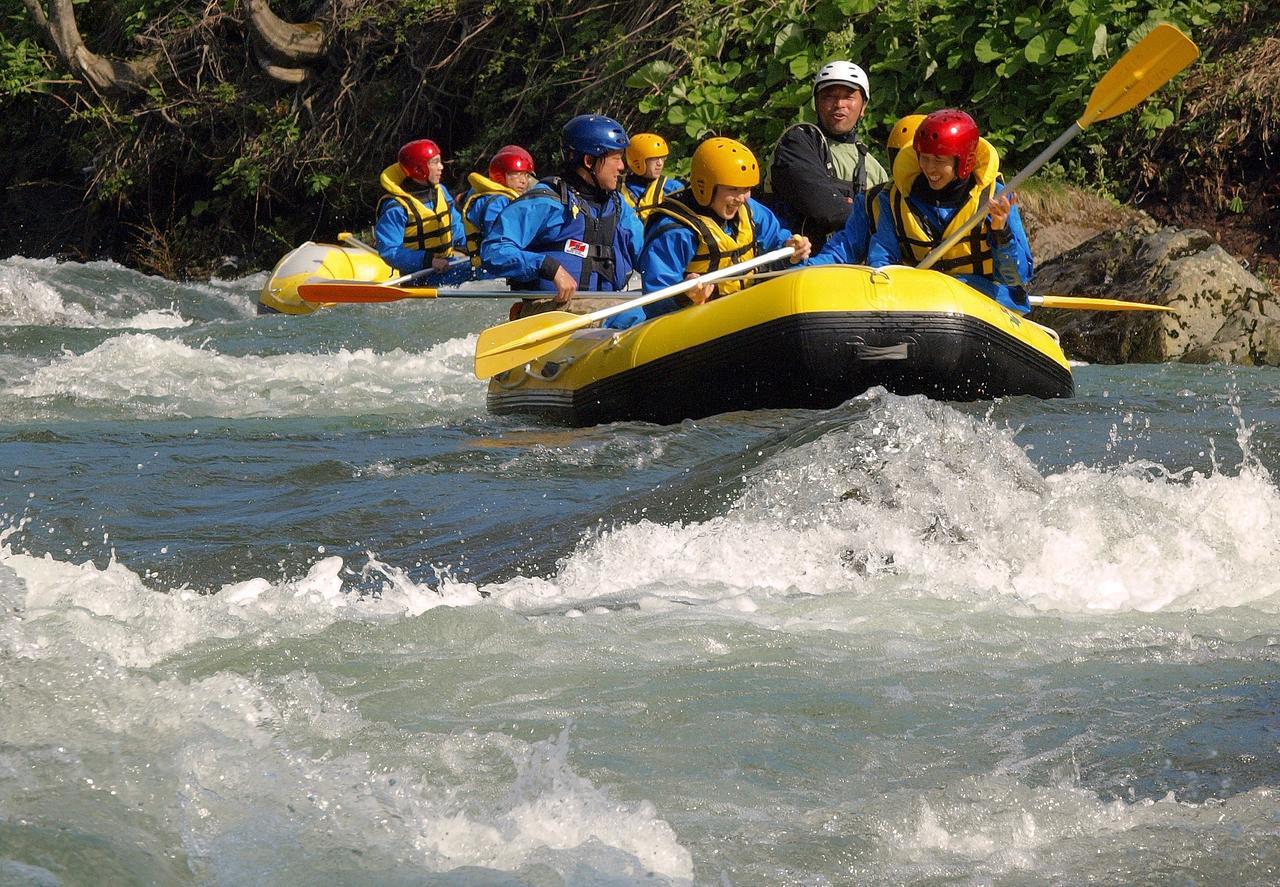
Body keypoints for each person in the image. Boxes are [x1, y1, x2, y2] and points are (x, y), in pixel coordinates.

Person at [605, 136, 811, 330]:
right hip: (699, 324)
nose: (742, 198)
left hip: (750, 311)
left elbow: (778, 241)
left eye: (746, 189)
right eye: (733, 190)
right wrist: (685, 294)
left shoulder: (751, 211)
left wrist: (792, 251)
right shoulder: (677, 231)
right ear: (705, 187)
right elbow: (655, 298)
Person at [867, 108, 1033, 313]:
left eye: (939, 160)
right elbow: (881, 260)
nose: (929, 168)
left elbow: (1017, 277)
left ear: (963, 162)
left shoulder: (996, 198)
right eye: (924, 158)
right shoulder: (896, 198)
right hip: (926, 303)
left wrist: (1001, 232)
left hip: (986, 303)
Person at [481, 114, 644, 313]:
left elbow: (647, 254)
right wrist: (548, 267)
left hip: (605, 305)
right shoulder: (547, 201)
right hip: (552, 309)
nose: (622, 166)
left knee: (660, 307)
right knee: (632, 313)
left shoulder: (618, 206)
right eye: (616, 158)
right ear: (589, 161)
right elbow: (494, 251)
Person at [763, 61, 889, 249]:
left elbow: (886, 225)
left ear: (863, 106)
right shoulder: (797, 142)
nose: (839, 104)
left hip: (852, 269)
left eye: (848, 97)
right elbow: (825, 207)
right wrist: (857, 211)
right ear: (816, 103)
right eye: (829, 97)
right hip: (796, 265)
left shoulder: (874, 168)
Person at [806, 113, 926, 267]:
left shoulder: (960, 200)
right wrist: (807, 269)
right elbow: (845, 248)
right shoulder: (874, 201)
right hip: (894, 284)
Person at [374, 139, 466, 280]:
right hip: (419, 276)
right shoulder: (396, 207)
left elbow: (455, 226)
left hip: (448, 265)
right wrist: (429, 260)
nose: (441, 167)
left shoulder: (440, 191)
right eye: (435, 162)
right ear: (419, 169)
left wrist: (473, 245)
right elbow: (389, 250)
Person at [460, 145, 536, 273]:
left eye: (526, 175)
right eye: (516, 174)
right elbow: (500, 242)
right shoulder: (494, 203)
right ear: (500, 175)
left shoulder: (505, 199)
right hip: (492, 273)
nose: (523, 181)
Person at [622, 132, 684, 219]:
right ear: (637, 161)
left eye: (662, 158)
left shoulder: (673, 188)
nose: (660, 163)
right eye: (654, 159)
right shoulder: (617, 187)